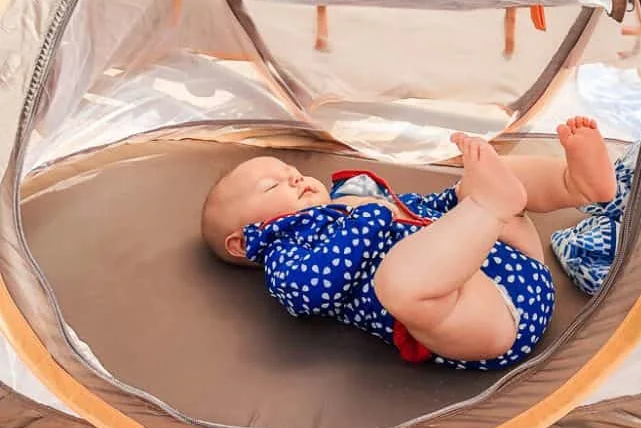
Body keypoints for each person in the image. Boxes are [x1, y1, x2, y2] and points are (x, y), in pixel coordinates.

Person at [201, 118, 618, 370]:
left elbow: (424, 212)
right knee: (397, 283)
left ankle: (573, 184)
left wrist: (458, 200)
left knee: (467, 187)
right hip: (481, 318)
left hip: (506, 260)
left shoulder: (350, 199)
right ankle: (492, 205)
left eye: (292, 171)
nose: (295, 177)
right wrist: (371, 213)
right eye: (273, 184)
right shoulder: (284, 254)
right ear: (240, 242)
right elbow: (316, 289)